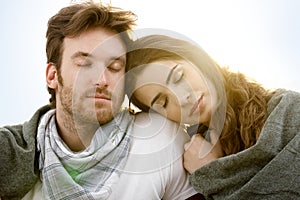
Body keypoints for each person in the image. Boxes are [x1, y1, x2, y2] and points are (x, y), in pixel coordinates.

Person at [0, 3, 201, 200]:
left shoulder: (161, 139)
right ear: (52, 76)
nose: (102, 81)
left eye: (114, 67)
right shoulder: (12, 158)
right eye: (85, 64)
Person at [125, 34, 300, 199]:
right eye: (163, 102)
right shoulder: (189, 161)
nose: (182, 97)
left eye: (179, 76)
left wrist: (214, 173)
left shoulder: (289, 110)